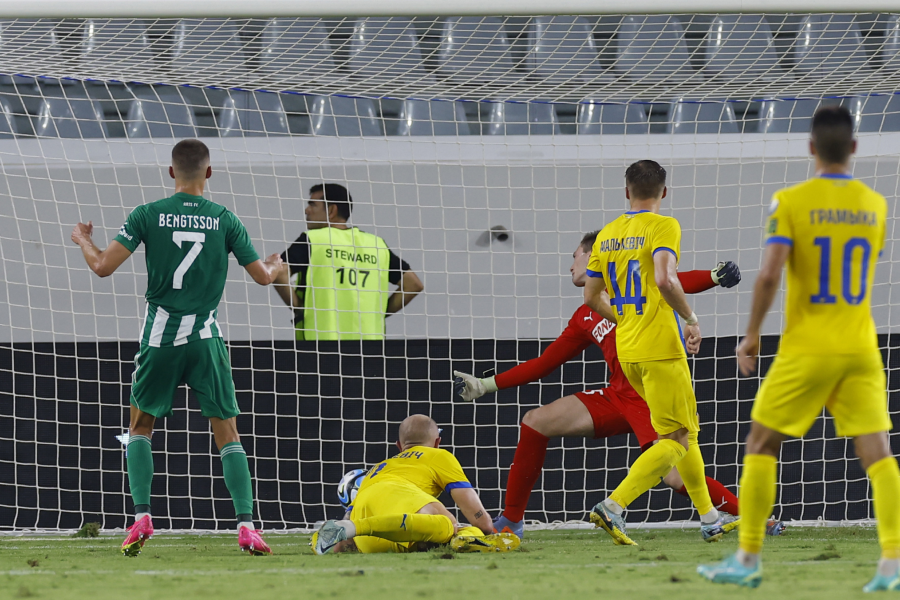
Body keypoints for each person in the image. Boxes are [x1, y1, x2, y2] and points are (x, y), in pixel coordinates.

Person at [454, 232, 775, 541]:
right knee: (536, 421)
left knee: (675, 473)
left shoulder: (632, 291)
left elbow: (674, 281)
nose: (570, 266)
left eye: (575, 256)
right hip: (617, 395)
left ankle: (754, 518)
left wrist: (714, 276)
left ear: (594, 256)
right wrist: (487, 385)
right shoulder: (586, 313)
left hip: (651, 396)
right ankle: (511, 519)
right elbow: (544, 364)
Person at [699, 107, 900, 591]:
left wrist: (750, 335)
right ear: (854, 148)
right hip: (859, 345)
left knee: (762, 444)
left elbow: (770, 274)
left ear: (811, 148)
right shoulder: (875, 205)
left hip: (808, 347)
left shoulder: (790, 201)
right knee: (877, 453)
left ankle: (747, 559)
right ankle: (892, 565)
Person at [70, 139, 283, 557]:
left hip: (160, 338)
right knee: (228, 435)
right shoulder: (225, 219)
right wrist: (276, 265)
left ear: (171, 173)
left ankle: (142, 517)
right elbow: (262, 277)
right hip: (205, 340)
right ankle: (246, 525)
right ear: (209, 173)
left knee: (140, 429)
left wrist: (82, 239)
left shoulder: (147, 214)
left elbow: (101, 267)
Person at [582, 160, 732, 546]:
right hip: (661, 349)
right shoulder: (664, 225)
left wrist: (628, 318)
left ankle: (710, 518)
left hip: (629, 349)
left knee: (685, 433)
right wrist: (691, 319)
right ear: (663, 192)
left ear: (626, 190)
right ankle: (613, 506)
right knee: (675, 439)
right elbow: (665, 279)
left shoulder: (608, 234)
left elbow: (590, 295)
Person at [311, 414, 519, 555]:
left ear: (399, 446)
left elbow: (346, 533)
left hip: (370, 542)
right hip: (393, 515)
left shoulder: (378, 467)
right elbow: (477, 515)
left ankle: (350, 528)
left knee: (435, 539)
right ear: (437, 442)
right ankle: (464, 537)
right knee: (447, 523)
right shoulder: (438, 455)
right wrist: (489, 531)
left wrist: (320, 541)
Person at [273, 183, 424, 340]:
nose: (306, 210)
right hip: (371, 345)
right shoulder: (376, 245)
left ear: (332, 210)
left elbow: (279, 271)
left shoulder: (313, 240)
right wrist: (378, 313)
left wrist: (300, 309)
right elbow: (413, 285)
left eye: (312, 204)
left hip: (320, 345)